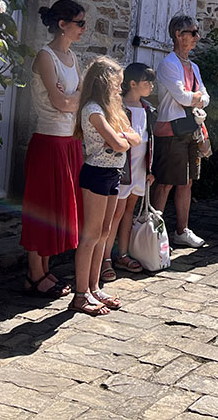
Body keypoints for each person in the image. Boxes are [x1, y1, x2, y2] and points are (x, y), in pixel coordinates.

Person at [20, 0, 86, 297]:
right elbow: (61, 103)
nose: (83, 28)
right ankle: (34, 273)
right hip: (48, 142)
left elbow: (77, 99)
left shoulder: (72, 57)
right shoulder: (46, 57)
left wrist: (73, 99)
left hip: (69, 141)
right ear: (62, 24)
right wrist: (73, 98)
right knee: (42, 206)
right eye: (79, 23)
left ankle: (45, 270)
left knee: (58, 209)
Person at [70, 57, 137, 315]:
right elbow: (121, 143)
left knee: (105, 232)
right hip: (96, 173)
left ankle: (94, 286)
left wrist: (122, 138)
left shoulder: (113, 108)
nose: (120, 88)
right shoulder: (93, 109)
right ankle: (80, 294)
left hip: (113, 173)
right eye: (117, 83)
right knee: (91, 234)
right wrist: (123, 139)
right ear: (104, 82)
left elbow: (135, 137)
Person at [151, 15, 210, 249]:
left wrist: (194, 98)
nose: (197, 36)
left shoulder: (194, 67)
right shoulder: (169, 64)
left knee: (187, 182)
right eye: (192, 32)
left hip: (190, 129)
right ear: (178, 34)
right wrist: (196, 98)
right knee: (165, 183)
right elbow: (183, 97)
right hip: (170, 130)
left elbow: (205, 97)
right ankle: (153, 234)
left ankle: (182, 231)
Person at [102, 63, 157, 280]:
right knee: (115, 213)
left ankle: (122, 254)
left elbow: (150, 140)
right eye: (147, 82)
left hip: (140, 169)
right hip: (123, 169)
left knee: (129, 211)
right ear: (132, 83)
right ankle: (105, 258)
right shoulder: (119, 108)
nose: (151, 86)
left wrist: (150, 169)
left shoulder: (148, 109)